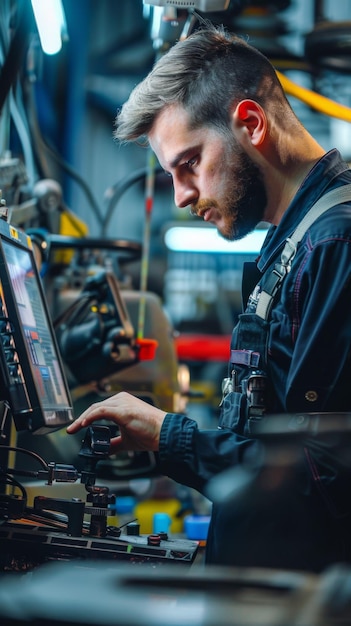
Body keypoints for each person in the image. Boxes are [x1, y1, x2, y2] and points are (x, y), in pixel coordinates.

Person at [67, 24, 351, 572]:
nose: (181, 196)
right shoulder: (295, 241)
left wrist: (168, 436)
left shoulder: (335, 243)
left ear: (250, 123)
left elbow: (322, 480)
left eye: (189, 163)